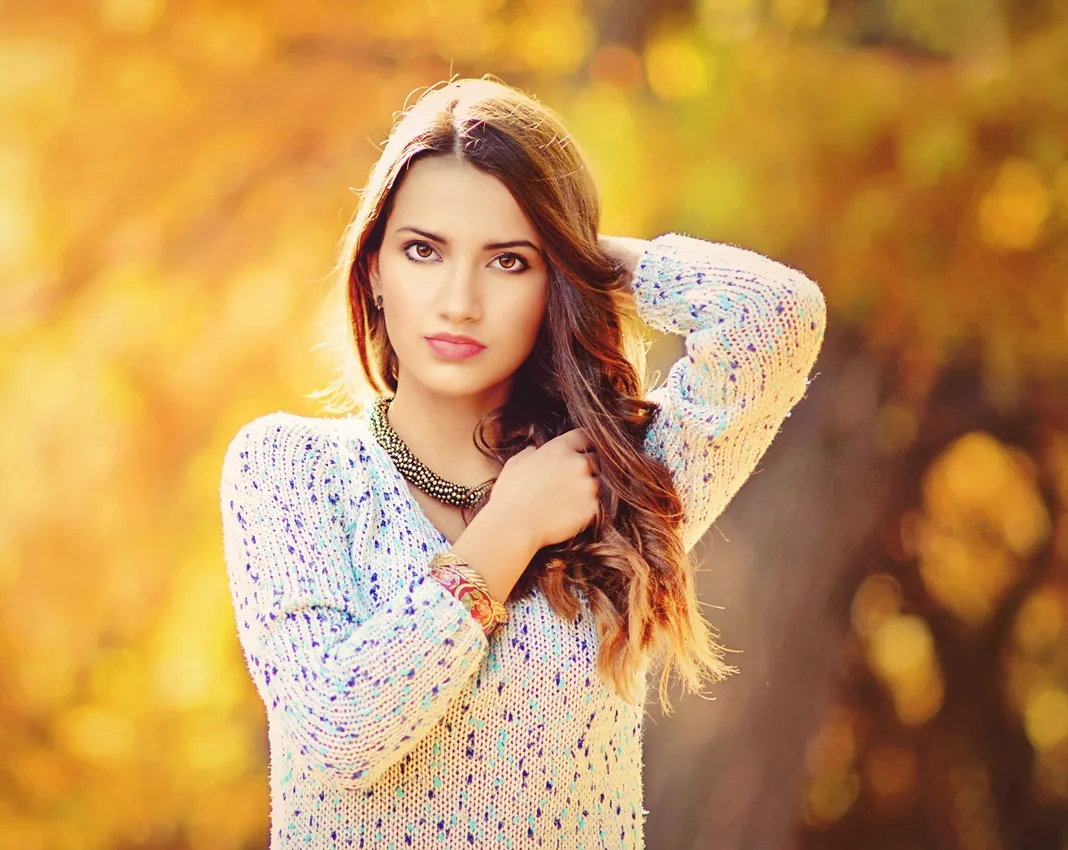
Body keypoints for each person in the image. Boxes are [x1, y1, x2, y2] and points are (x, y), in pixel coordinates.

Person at [219, 77, 826, 848]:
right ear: (373, 269)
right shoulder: (288, 470)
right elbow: (341, 732)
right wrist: (509, 530)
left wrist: (579, 250)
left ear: (553, 283)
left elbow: (777, 316)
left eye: (507, 262)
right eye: (423, 251)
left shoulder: (607, 479)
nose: (459, 301)